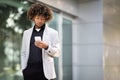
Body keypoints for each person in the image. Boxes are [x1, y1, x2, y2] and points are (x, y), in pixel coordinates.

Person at [21, 2, 60, 80]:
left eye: (42, 19)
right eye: (37, 18)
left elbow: (57, 53)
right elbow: (23, 52)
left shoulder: (53, 33)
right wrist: (24, 68)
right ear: (33, 18)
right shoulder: (26, 33)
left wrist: (47, 47)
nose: (39, 21)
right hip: (29, 71)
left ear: (46, 18)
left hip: (46, 72)